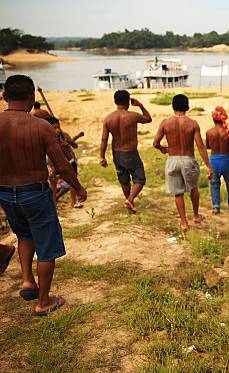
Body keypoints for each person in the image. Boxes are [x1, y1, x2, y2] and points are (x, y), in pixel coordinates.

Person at [0, 75, 87, 315]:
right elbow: (61, 165)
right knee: (47, 246)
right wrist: (78, 187)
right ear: (32, 98)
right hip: (34, 192)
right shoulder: (41, 126)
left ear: (5, 97)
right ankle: (43, 302)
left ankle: (28, 280)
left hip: (6, 194)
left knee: (24, 235)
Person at [153, 94, 212, 230]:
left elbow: (155, 143)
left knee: (178, 192)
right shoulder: (192, 123)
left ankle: (184, 222)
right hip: (188, 160)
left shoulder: (165, 123)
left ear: (173, 106)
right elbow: (200, 146)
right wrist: (208, 166)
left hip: (172, 160)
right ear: (187, 107)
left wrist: (163, 149)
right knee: (193, 188)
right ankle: (196, 216)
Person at [100, 90, 152, 213]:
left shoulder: (108, 118)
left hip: (116, 154)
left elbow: (104, 139)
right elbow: (148, 119)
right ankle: (130, 199)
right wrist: (140, 105)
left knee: (124, 179)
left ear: (115, 101)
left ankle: (129, 201)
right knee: (140, 179)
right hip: (130, 153)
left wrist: (102, 156)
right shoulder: (133, 116)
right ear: (128, 101)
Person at [206, 106, 229, 213]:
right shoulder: (228, 132)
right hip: (226, 160)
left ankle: (216, 206)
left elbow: (208, 146)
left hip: (214, 160)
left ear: (213, 119)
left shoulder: (209, 132)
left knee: (214, 183)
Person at [47, 117, 85, 208]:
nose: (57, 130)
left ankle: (73, 202)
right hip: (54, 165)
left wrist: (68, 144)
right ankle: (53, 206)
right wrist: (50, 167)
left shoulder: (65, 135)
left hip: (69, 163)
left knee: (72, 182)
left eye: (58, 127)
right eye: (54, 128)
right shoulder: (48, 139)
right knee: (53, 187)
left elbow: (74, 145)